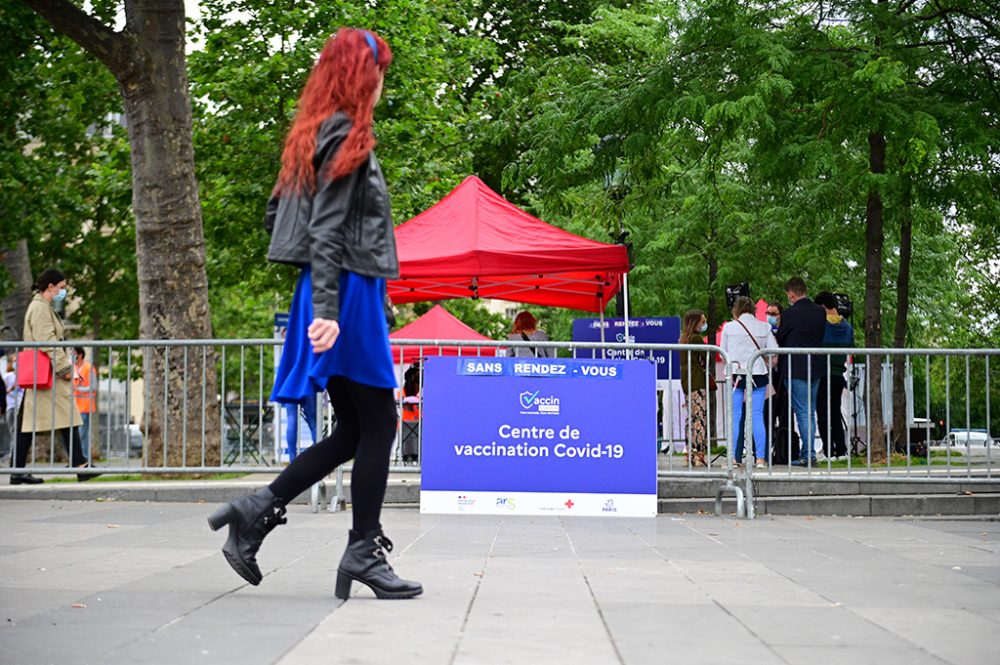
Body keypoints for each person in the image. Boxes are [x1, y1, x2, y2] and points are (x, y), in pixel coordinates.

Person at [208, 29, 421, 600]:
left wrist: (343, 295)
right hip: (341, 293)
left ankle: (257, 509)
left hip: (340, 289)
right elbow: (326, 227)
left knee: (357, 425)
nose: (382, 81)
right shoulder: (346, 133)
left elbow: (284, 215)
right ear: (362, 75)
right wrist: (332, 307)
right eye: (379, 70)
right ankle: (363, 548)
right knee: (379, 423)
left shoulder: (313, 134)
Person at [12, 269, 94, 484]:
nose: (63, 292)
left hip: (45, 373)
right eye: (62, 288)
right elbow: (47, 340)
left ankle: (18, 471)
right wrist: (65, 369)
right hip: (48, 373)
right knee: (61, 415)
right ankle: (79, 465)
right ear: (51, 286)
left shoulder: (40, 306)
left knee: (32, 422)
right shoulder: (40, 308)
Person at [775, 277, 827, 466]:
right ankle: (809, 452)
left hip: (796, 367)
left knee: (803, 412)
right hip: (816, 367)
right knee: (810, 411)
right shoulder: (820, 313)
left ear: (791, 294)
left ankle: (809, 455)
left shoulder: (789, 314)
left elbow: (780, 337)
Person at [721, 296, 777, 468]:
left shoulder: (729, 327)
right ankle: (760, 458)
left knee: (735, 417)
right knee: (757, 417)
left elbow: (722, 353)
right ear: (753, 309)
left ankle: (732, 458)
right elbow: (773, 352)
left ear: (736, 310)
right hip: (758, 374)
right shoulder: (764, 326)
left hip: (736, 376)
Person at [813, 291, 854, 460]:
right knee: (835, 412)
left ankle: (828, 450)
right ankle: (841, 449)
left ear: (822, 307)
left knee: (822, 413)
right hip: (838, 374)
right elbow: (851, 349)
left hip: (822, 373)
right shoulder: (848, 328)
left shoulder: (821, 325)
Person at [678, 309, 713, 467]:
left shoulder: (683, 339)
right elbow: (707, 356)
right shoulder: (696, 338)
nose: (704, 324)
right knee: (700, 419)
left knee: (690, 419)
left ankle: (689, 454)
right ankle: (699, 454)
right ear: (695, 323)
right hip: (698, 383)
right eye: (702, 321)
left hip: (687, 383)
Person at [72, 346, 97, 462]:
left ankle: (84, 459)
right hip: (74, 407)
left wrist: (78, 388)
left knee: (82, 435)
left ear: (80, 355)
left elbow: (93, 387)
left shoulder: (89, 368)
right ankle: (78, 460)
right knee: (76, 436)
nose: (71, 356)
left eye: (73, 353)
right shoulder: (73, 368)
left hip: (85, 407)